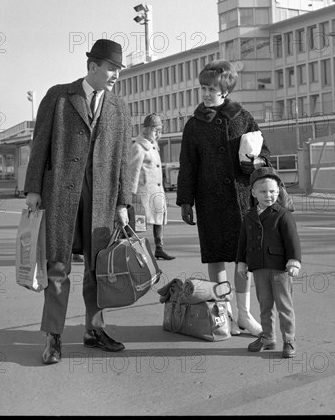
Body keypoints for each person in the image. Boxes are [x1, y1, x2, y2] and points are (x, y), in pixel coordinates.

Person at [24, 38, 132, 365]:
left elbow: (123, 159)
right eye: (111, 68)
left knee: (98, 268)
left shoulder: (119, 107)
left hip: (102, 199)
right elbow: (40, 143)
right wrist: (33, 189)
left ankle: (93, 330)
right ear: (93, 66)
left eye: (118, 70)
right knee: (58, 266)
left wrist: (123, 202)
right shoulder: (59, 96)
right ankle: (53, 337)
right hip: (61, 196)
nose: (115, 75)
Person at [177, 59, 270, 336]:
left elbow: (265, 151)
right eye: (203, 88)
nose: (206, 93)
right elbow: (188, 165)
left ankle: (244, 314)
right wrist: (185, 200)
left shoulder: (243, 117)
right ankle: (225, 311)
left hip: (242, 200)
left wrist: (255, 163)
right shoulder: (194, 125)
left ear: (226, 89)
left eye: (212, 88)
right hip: (209, 201)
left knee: (244, 260)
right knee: (216, 257)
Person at [236, 167, 301, 358]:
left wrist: (294, 261)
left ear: (279, 191)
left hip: (280, 269)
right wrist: (241, 262)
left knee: (284, 306)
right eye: (263, 191)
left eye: (273, 191)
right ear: (254, 193)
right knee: (264, 305)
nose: (268, 195)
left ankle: (289, 340)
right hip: (259, 268)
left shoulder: (283, 214)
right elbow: (243, 241)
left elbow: (292, 240)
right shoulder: (249, 216)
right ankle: (268, 337)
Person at [129, 113, 175, 261]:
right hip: (144, 192)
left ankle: (159, 248)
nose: (158, 133)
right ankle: (134, 251)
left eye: (160, 130)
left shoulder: (154, 146)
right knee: (138, 223)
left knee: (159, 220)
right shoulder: (139, 147)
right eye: (156, 130)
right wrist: (131, 192)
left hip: (156, 192)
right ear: (147, 129)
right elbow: (133, 170)